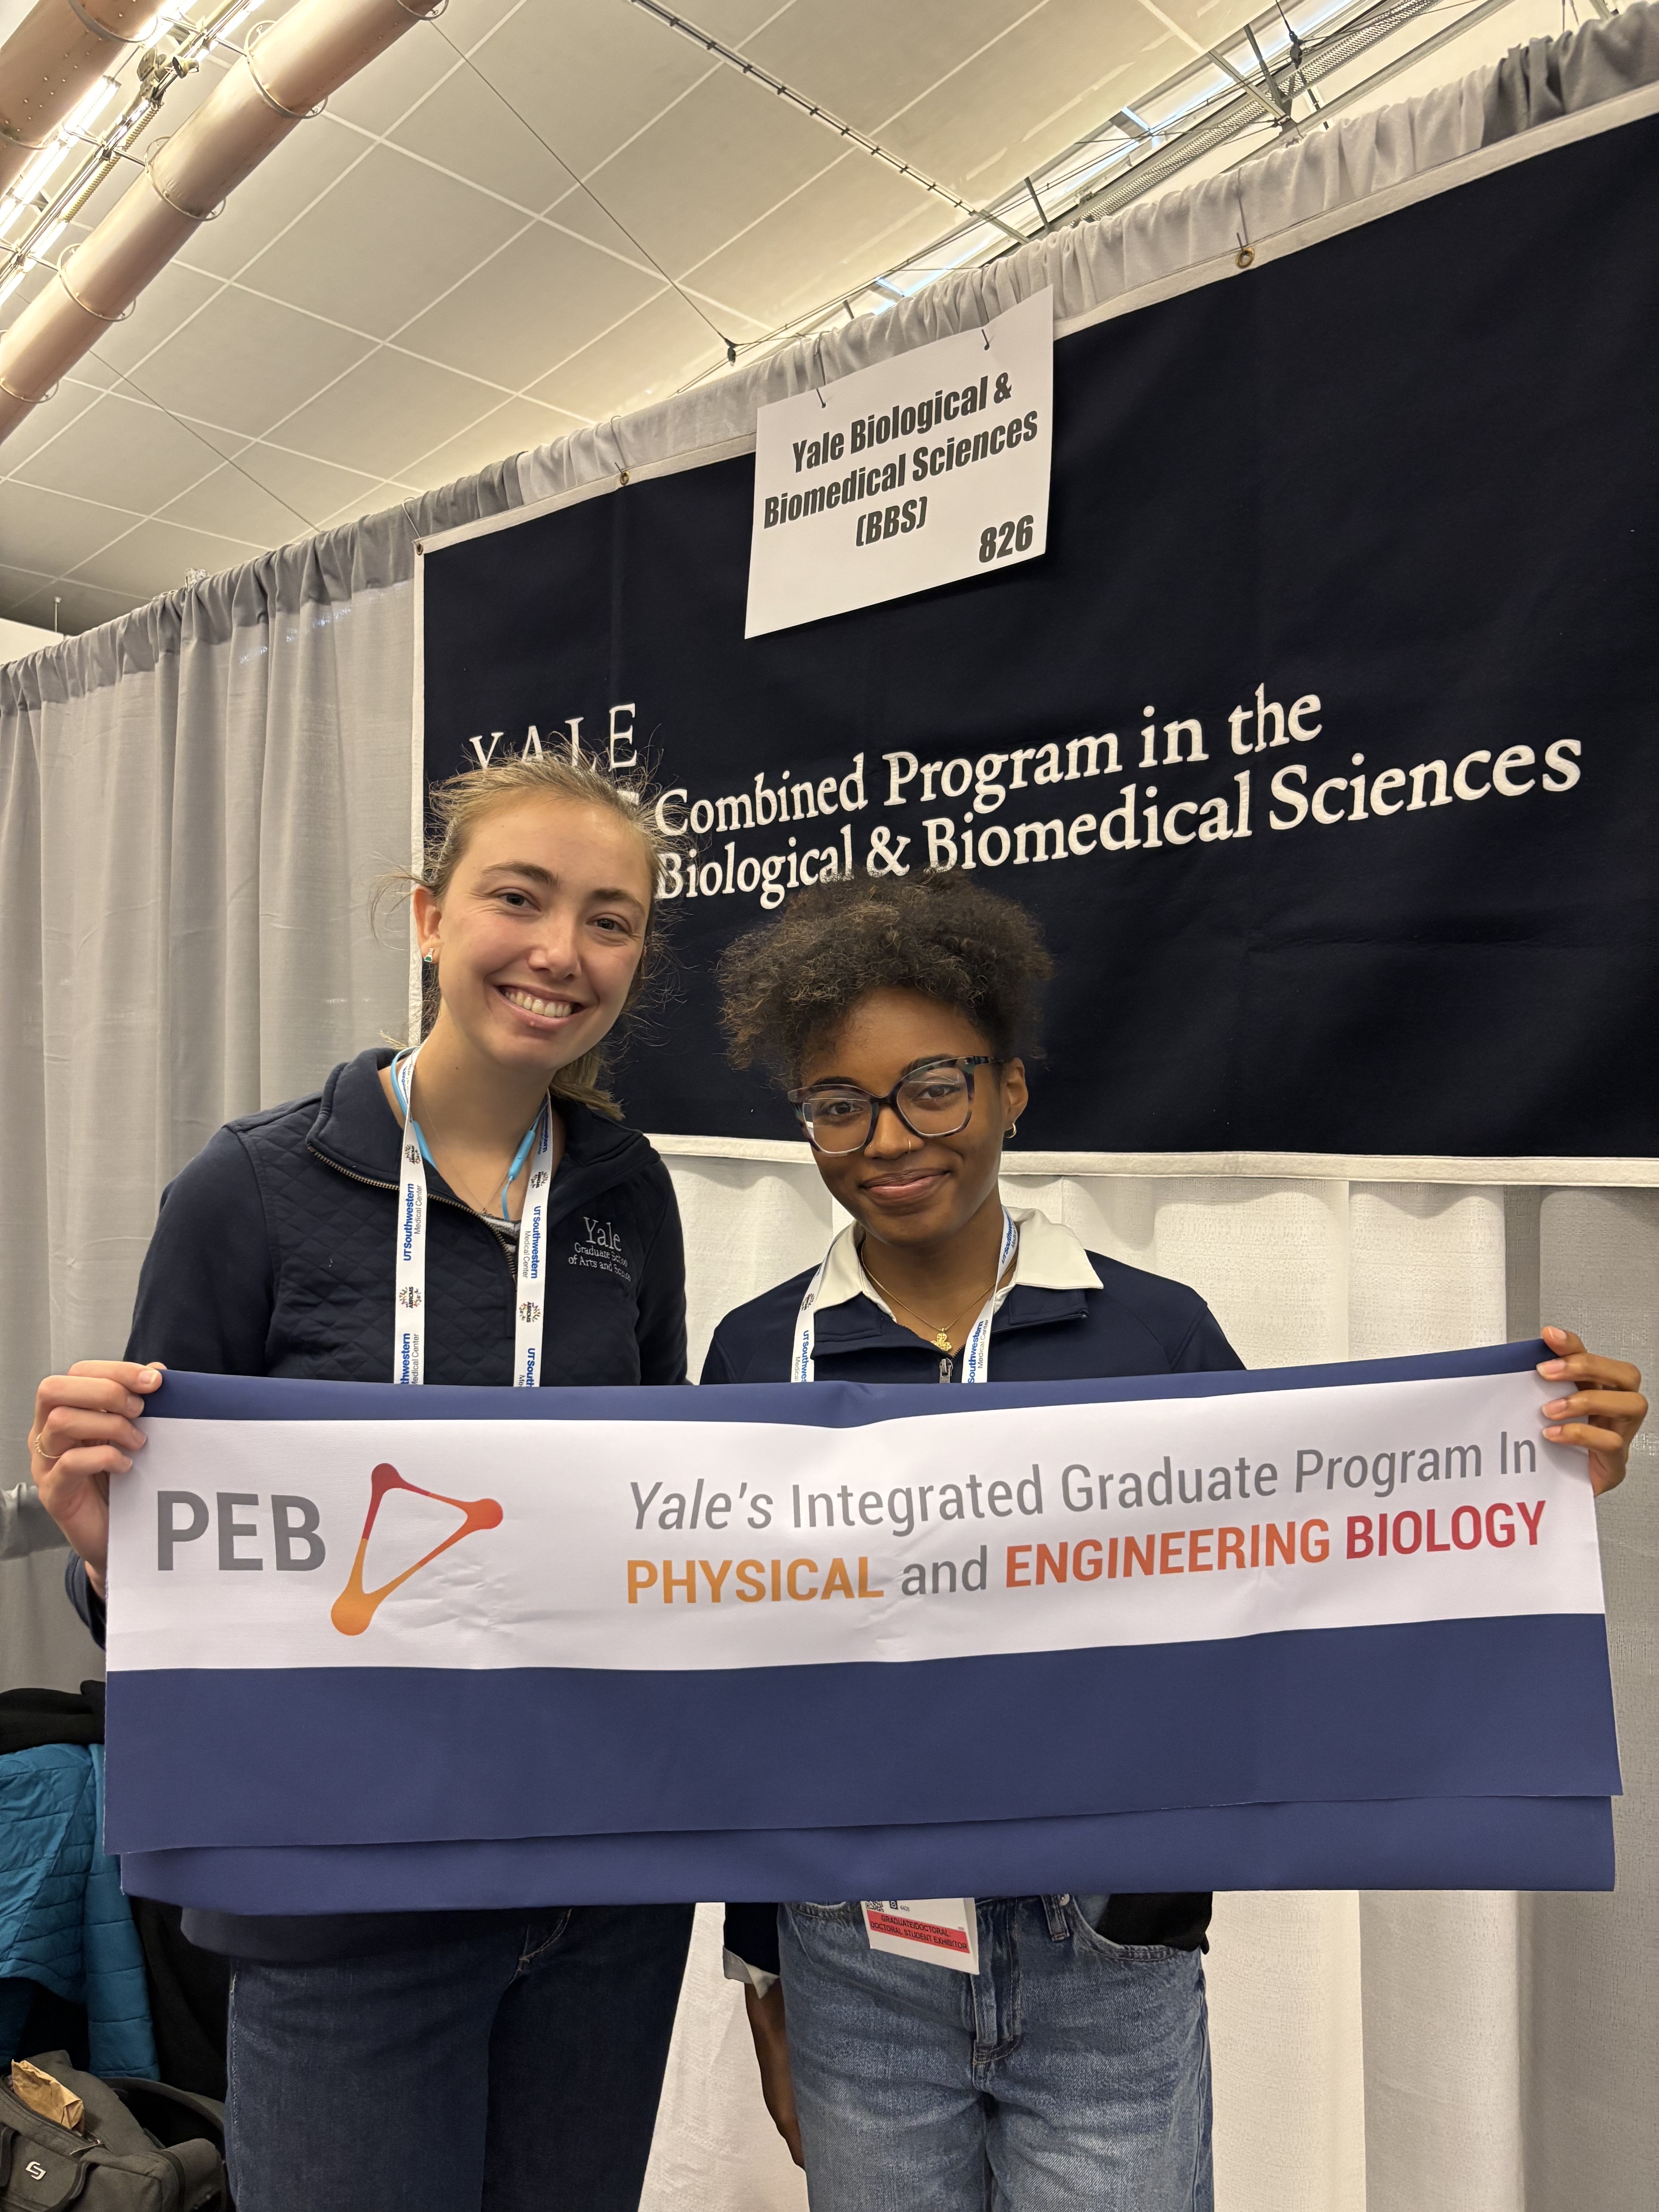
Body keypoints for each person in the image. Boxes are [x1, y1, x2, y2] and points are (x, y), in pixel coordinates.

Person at [699, 871, 1648, 2212]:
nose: (889, 1137)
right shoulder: (756, 1355)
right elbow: (740, 1684)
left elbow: (1305, 1570)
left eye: (933, 1086)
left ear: (1010, 1089)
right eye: (835, 1103)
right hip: (858, 1962)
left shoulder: (1152, 1336)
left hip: (1107, 1958)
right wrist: (763, 1976)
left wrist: (1536, 1485)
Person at [28, 751, 694, 2212]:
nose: (558, 953)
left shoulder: (626, 1197)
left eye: (610, 919)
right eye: (517, 899)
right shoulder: (252, 1189)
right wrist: (107, 1554)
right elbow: (160, 1572)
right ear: (427, 916)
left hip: (594, 1897)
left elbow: (654, 1514)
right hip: (343, 1901)